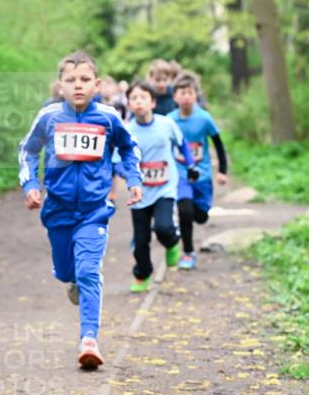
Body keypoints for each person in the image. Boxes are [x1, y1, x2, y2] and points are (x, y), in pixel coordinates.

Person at [19, 51, 142, 370]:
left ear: (97, 84)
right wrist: (31, 184)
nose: (78, 86)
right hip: (57, 210)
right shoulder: (49, 118)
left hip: (94, 210)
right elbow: (28, 151)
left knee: (89, 270)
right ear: (59, 85)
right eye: (71, 80)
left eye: (85, 80)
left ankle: (89, 339)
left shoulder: (108, 117)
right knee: (66, 271)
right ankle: (71, 278)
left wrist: (134, 178)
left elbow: (129, 148)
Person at [122, 81, 189, 292]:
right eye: (134, 98)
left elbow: (182, 143)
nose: (138, 102)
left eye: (143, 97)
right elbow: (117, 160)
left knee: (163, 227)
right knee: (141, 241)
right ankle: (142, 274)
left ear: (152, 102)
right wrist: (125, 174)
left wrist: (191, 164)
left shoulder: (166, 124)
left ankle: (171, 243)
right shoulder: (126, 132)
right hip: (139, 192)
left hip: (165, 187)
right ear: (129, 105)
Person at [167, 73, 229, 270]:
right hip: (180, 173)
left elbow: (218, 144)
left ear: (196, 95)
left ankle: (184, 217)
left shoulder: (204, 118)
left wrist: (222, 170)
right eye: (182, 93)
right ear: (175, 97)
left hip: (202, 174)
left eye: (190, 92)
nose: (186, 97)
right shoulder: (169, 120)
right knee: (185, 209)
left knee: (201, 216)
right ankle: (188, 253)